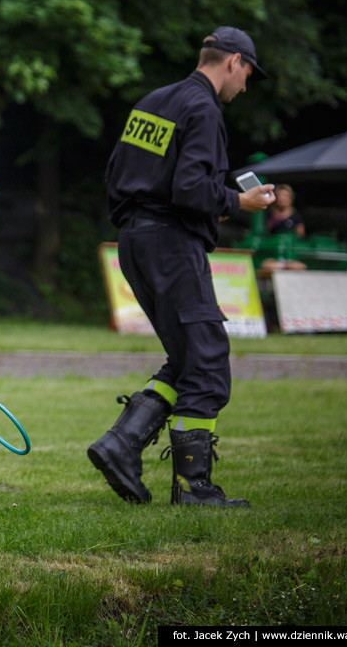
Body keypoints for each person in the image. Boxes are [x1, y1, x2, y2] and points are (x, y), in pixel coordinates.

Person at [88, 26, 276, 508]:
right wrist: (241, 200)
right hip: (171, 243)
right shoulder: (203, 109)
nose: (245, 87)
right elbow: (191, 189)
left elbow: (115, 174)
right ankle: (195, 488)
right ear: (233, 61)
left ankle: (121, 444)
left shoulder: (152, 103)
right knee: (208, 360)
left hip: (134, 240)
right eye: (248, 74)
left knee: (190, 356)